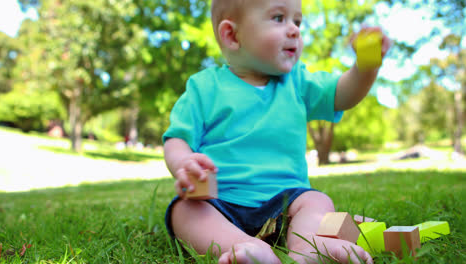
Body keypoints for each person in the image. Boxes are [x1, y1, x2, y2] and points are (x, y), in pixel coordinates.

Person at [162, 0, 391, 263]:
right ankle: (245, 248)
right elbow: (177, 139)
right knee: (184, 211)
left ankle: (309, 247)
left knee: (316, 201)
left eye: (298, 21)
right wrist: (184, 163)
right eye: (279, 18)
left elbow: (342, 94)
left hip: (286, 203)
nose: (294, 30)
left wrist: (366, 66)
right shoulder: (203, 88)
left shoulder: (297, 82)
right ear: (232, 35)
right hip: (220, 201)